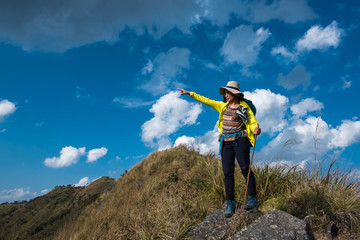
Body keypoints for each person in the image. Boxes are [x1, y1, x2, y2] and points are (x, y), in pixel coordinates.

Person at [178, 81, 261, 218]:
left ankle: (252, 198)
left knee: (245, 169)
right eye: (225, 93)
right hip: (226, 143)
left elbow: (252, 121)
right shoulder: (222, 106)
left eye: (228, 92)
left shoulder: (244, 106)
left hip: (240, 140)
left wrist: (256, 129)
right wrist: (190, 94)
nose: (226, 95)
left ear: (235, 94)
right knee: (227, 172)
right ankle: (230, 202)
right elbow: (207, 101)